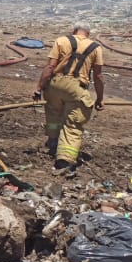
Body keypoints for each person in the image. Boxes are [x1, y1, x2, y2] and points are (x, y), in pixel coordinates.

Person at [33, 21, 104, 169]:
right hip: (76, 88)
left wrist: (39, 88)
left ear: (74, 30)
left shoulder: (61, 40)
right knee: (72, 124)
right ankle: (65, 159)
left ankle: (52, 142)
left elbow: (50, 66)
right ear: (88, 34)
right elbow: (98, 76)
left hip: (55, 84)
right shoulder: (96, 48)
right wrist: (100, 98)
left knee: (54, 114)